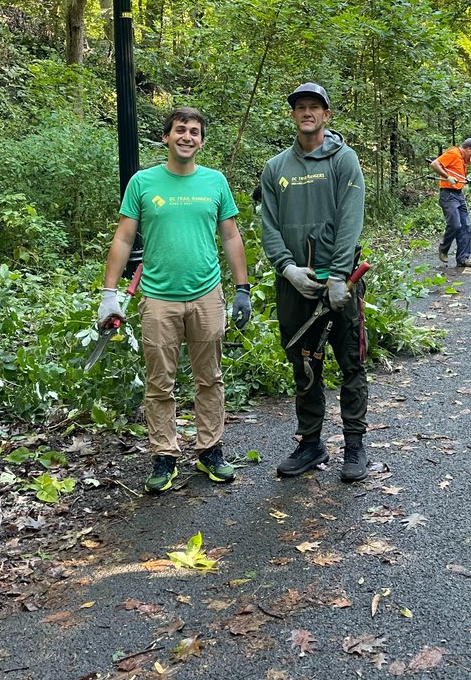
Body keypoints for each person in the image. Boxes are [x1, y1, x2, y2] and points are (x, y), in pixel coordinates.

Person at [98, 106, 252, 495]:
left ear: (202, 141)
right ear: (166, 137)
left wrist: (242, 288)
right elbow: (123, 238)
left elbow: (231, 237)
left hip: (206, 295)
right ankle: (164, 456)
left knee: (210, 378)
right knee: (159, 383)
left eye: (195, 132)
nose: (187, 136)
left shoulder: (215, 182)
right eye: (180, 130)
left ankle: (209, 451)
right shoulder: (143, 183)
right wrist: (108, 295)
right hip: (157, 299)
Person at [260, 82, 369, 483]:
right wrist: (286, 267)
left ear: (326, 115)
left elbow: (349, 218)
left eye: (314, 107)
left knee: (350, 361)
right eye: (300, 107)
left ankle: (355, 445)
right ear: (293, 115)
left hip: (338, 281)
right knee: (304, 363)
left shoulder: (344, 160)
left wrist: (340, 275)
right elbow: (268, 223)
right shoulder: (276, 168)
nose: (307, 112)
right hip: (295, 284)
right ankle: (310, 443)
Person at [430, 137, 471, 267]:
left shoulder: (463, 158)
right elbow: (434, 164)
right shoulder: (453, 153)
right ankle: (444, 248)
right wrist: (447, 177)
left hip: (459, 194)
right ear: (468, 149)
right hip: (448, 194)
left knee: (466, 226)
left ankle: (463, 258)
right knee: (455, 224)